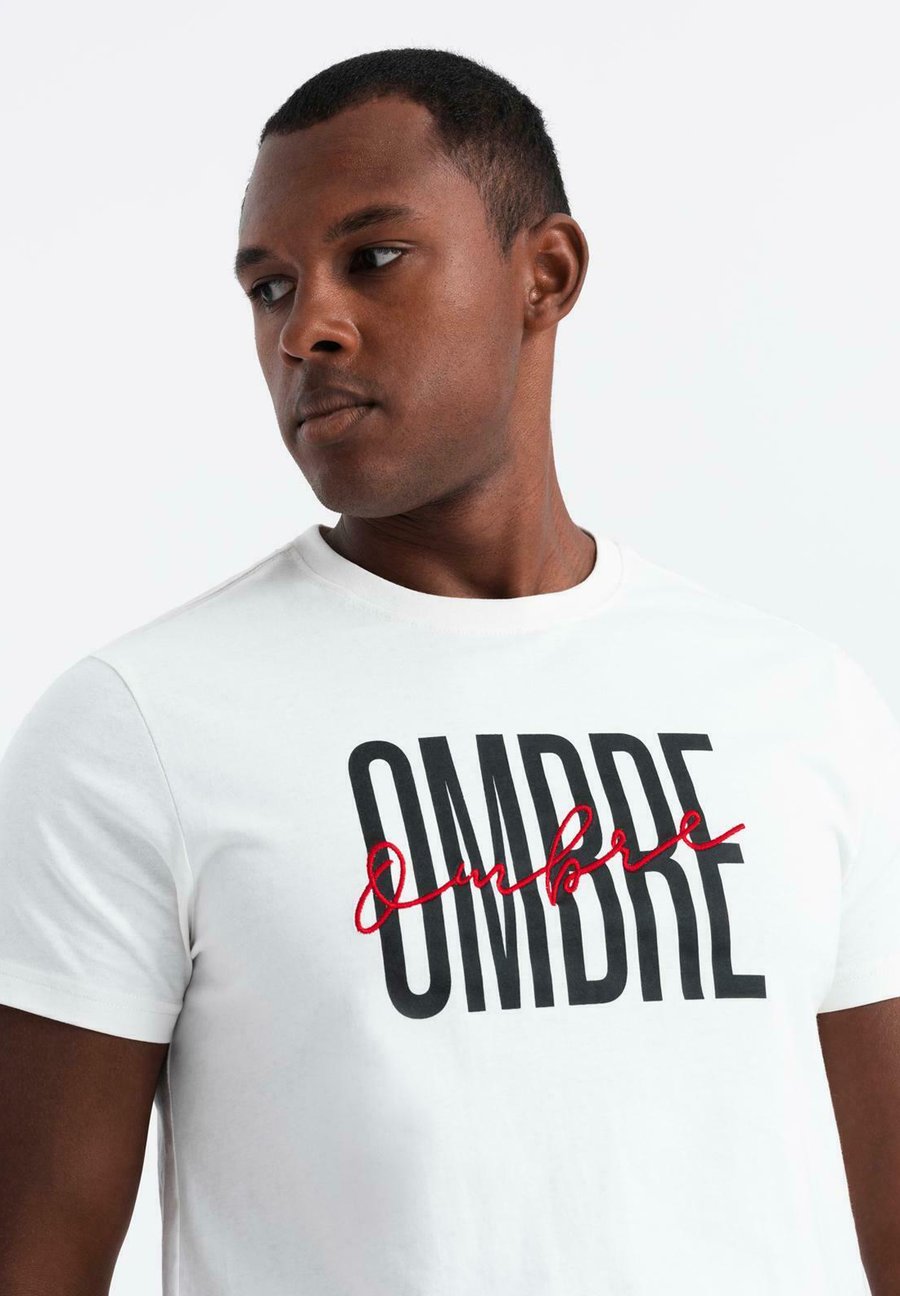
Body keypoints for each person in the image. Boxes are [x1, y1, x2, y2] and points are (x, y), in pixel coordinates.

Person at [1, 45, 898, 1296]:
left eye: (373, 258)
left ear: (547, 274)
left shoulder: (800, 709)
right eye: (269, 287)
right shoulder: (139, 731)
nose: (305, 328)